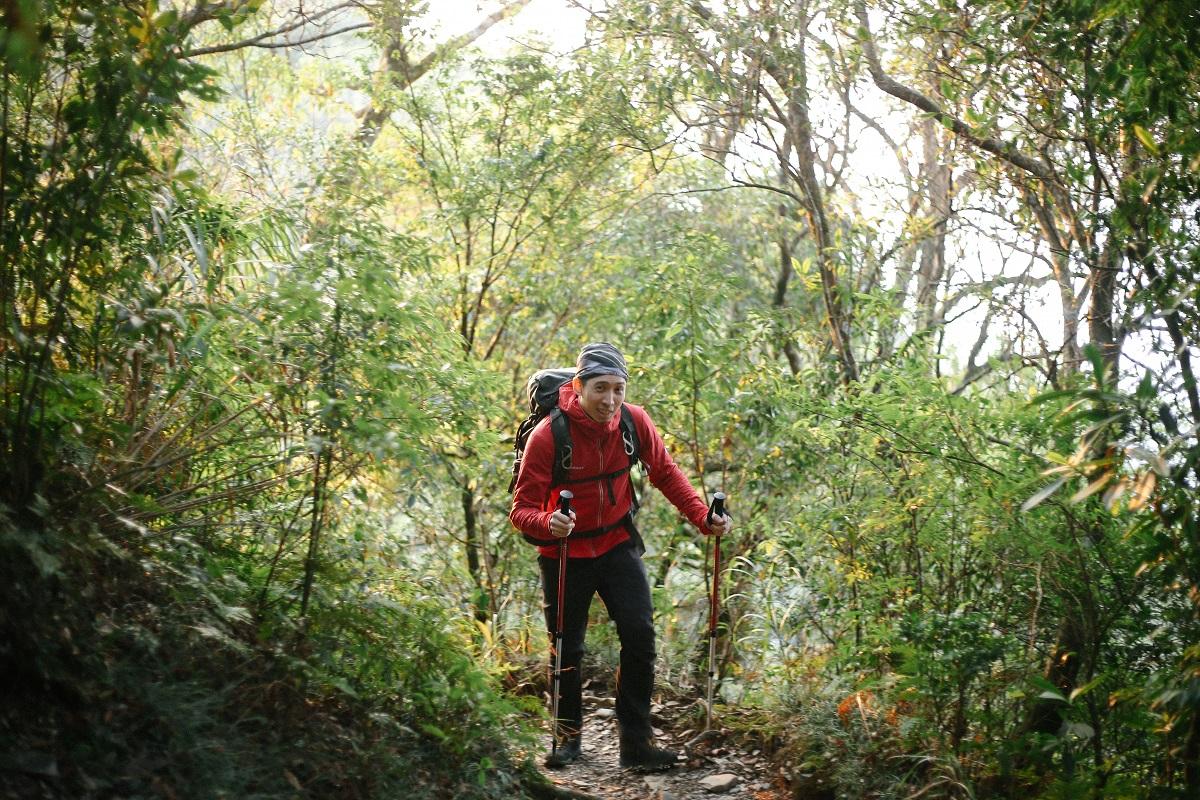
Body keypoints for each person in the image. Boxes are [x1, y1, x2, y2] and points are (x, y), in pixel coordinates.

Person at [509, 342, 733, 771]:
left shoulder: (633, 422)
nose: (610, 400)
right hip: (563, 551)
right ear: (578, 387)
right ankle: (567, 736)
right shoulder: (548, 435)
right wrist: (548, 524)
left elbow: (665, 473)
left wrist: (704, 518)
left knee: (640, 636)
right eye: (600, 388)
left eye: (618, 389)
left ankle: (636, 744)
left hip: (617, 543)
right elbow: (521, 511)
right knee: (565, 646)